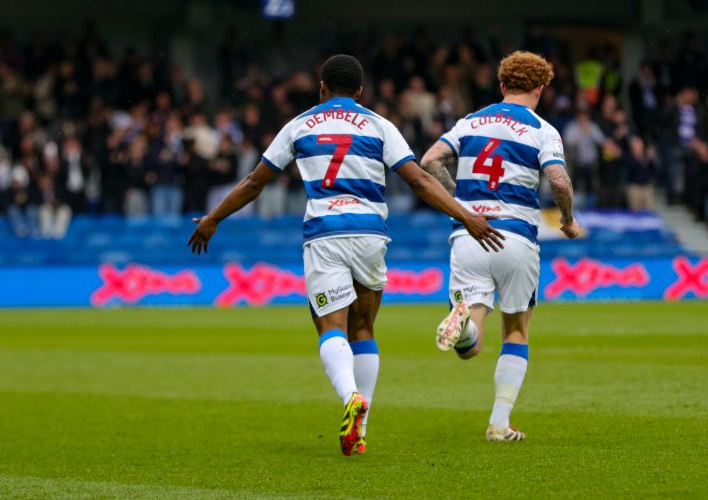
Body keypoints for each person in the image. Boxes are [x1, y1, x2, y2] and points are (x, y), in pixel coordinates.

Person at [188, 54, 503, 456]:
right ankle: (361, 429)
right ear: (360, 91)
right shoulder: (379, 125)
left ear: (321, 88)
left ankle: (351, 397)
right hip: (370, 234)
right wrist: (465, 216)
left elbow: (254, 182)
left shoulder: (300, 125)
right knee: (363, 328)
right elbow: (419, 180)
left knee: (330, 327)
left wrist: (213, 218)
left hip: (326, 234)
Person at [421, 51, 579, 442]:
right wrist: (568, 219)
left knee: (471, 344)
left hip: (469, 234)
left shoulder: (470, 121)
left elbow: (430, 161)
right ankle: (499, 424)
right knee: (516, 331)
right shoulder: (542, 129)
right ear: (540, 88)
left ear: (503, 85)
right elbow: (559, 181)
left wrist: (459, 202)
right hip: (515, 237)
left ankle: (463, 327)